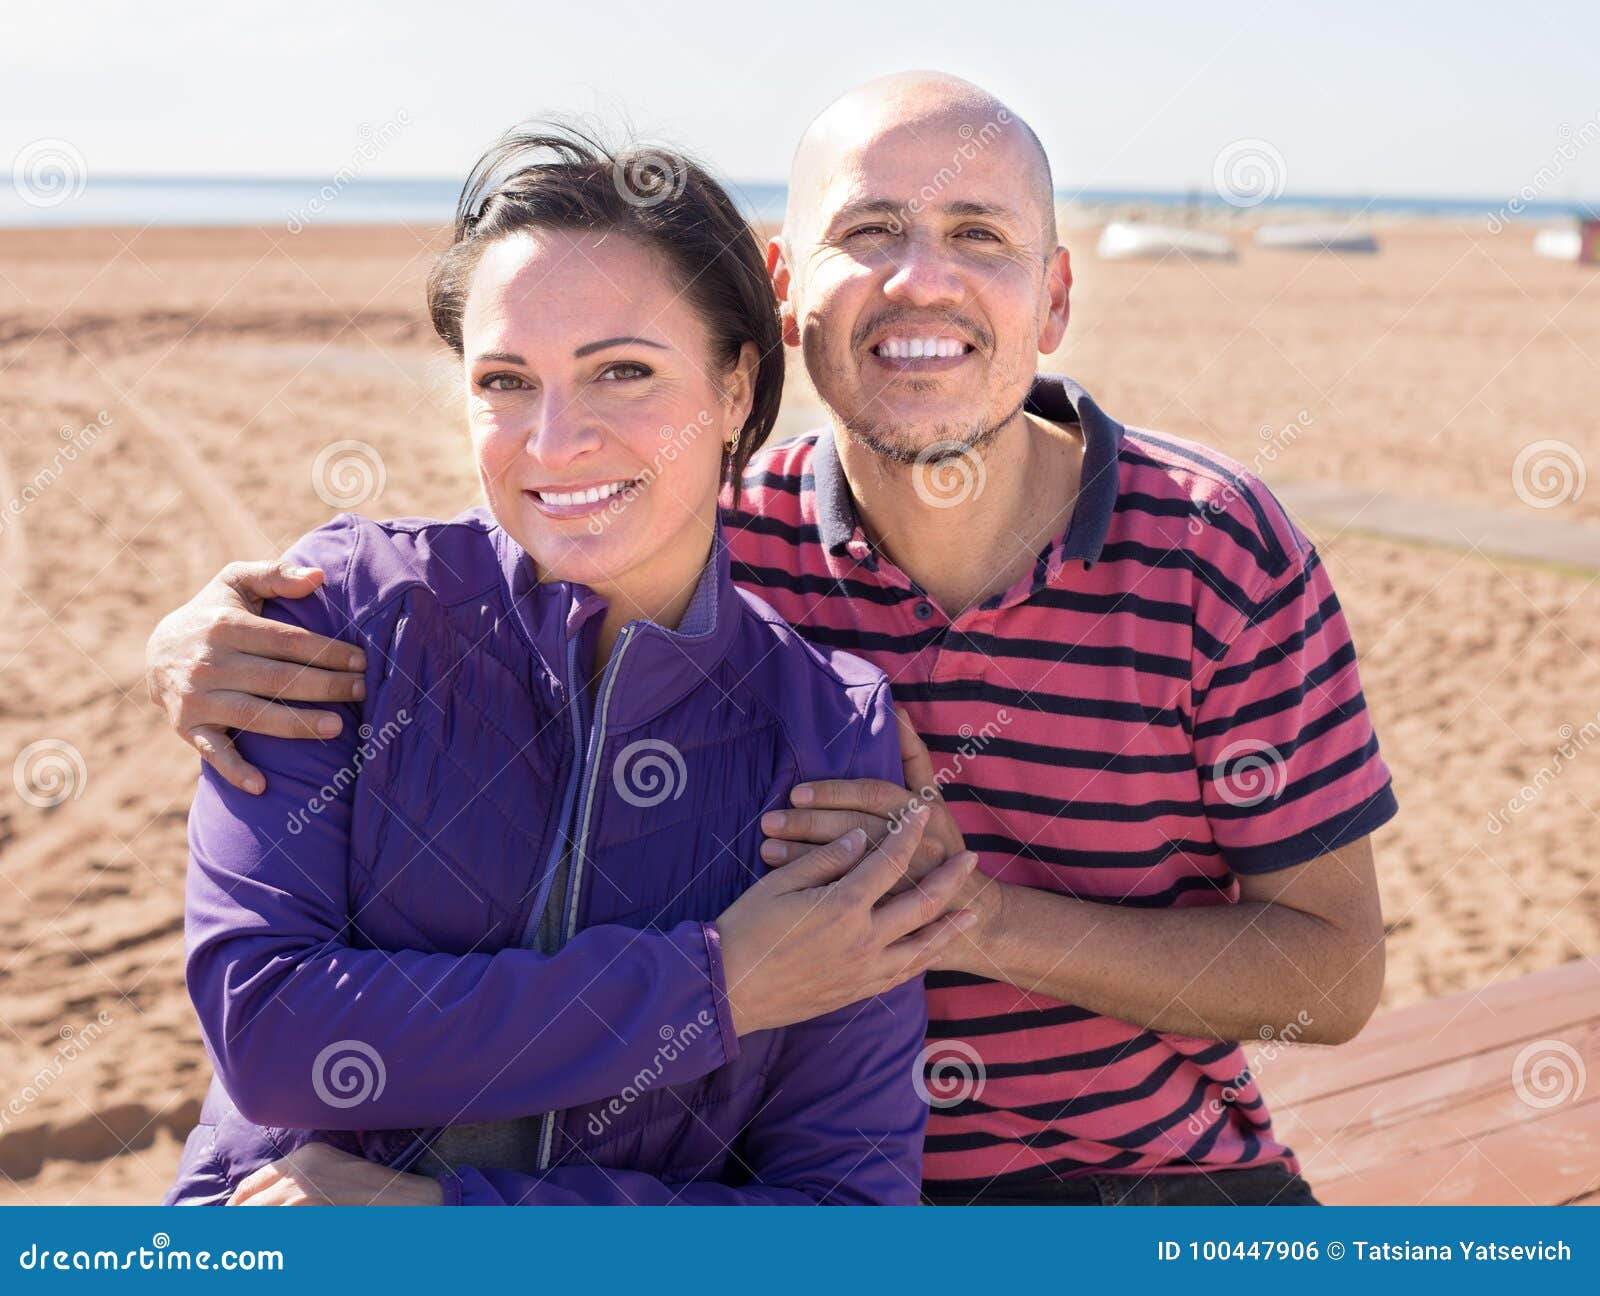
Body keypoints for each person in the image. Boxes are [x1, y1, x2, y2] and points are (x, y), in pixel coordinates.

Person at [148, 73, 1397, 1206]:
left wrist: (956, 914)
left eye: (979, 237)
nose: (920, 280)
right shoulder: (693, 525)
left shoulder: (1213, 546)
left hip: (1143, 1184)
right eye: (870, 232)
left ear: (1054, 295)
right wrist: (196, 639)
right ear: (788, 289)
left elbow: (1333, 980)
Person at [158, 125, 979, 1207]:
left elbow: (845, 1218)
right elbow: (270, 1032)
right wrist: (712, 985)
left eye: (622, 371)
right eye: (506, 380)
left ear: (736, 388)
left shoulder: (829, 730)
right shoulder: (344, 616)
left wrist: (455, 1227)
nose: (553, 441)